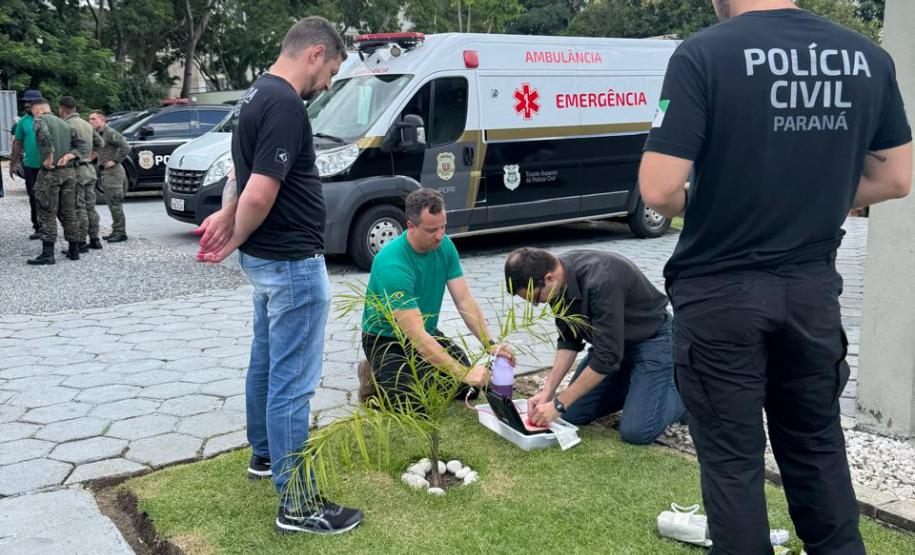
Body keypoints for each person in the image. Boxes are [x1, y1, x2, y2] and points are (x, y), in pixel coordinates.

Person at [638, 1, 912, 553]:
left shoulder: (703, 54)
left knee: (733, 463)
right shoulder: (867, 58)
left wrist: (728, 197)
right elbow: (896, 177)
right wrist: (816, 195)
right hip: (811, 293)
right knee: (816, 450)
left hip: (721, 292)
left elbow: (659, 191)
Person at [194, 16, 362, 535]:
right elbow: (261, 191)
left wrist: (227, 216)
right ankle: (298, 504)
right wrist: (236, 233)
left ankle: (264, 455)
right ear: (315, 53)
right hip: (291, 264)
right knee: (294, 382)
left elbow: (236, 176)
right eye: (332, 70)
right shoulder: (287, 102)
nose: (329, 83)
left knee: (266, 362)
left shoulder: (253, 95)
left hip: (268, 263)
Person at [504, 248, 686, 444]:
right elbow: (569, 341)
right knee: (570, 413)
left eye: (536, 298)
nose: (537, 305)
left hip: (653, 340)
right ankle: (639, 387)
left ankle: (686, 395)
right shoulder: (557, 282)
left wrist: (558, 404)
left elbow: (606, 359)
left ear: (549, 278)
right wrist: (549, 391)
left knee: (637, 431)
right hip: (612, 348)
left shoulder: (602, 280)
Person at [360, 189, 503, 408]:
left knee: (469, 389)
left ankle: (412, 372)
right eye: (431, 230)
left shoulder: (444, 245)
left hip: (426, 330)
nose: (439, 235)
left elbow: (464, 300)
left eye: (443, 227)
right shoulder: (392, 263)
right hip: (387, 338)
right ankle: (372, 374)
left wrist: (490, 344)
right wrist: (464, 372)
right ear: (411, 226)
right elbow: (415, 335)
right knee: (412, 406)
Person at [28, 99, 86, 265]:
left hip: (50, 173)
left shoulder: (40, 120)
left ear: (38, 110)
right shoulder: (65, 124)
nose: (33, 115)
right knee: (69, 211)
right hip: (69, 173)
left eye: (33, 112)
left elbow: (43, 135)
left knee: (46, 211)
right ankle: (74, 250)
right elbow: (82, 145)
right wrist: (69, 155)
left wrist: (48, 156)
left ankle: (48, 254)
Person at [59, 96, 104, 252]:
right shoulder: (86, 125)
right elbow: (100, 143)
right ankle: (95, 238)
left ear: (62, 109)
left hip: (77, 170)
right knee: (90, 206)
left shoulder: (66, 125)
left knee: (79, 208)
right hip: (89, 169)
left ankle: (80, 242)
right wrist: (90, 157)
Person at [88, 110, 130, 243]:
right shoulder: (98, 134)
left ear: (102, 120)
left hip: (114, 172)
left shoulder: (110, 132)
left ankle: (121, 233)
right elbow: (98, 151)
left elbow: (125, 146)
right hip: (105, 173)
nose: (90, 122)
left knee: (115, 203)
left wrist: (115, 160)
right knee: (111, 203)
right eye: (89, 119)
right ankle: (116, 230)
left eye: (93, 119)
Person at [10, 90, 44, 238]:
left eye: (29, 102)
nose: (26, 104)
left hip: (48, 165)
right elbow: (17, 143)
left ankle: (53, 227)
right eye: (25, 102)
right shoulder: (23, 121)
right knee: (33, 196)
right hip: (30, 165)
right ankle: (38, 227)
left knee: (51, 197)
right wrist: (13, 163)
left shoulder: (49, 119)